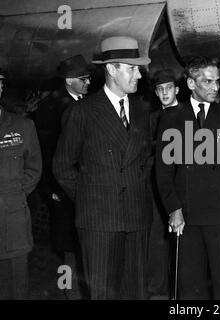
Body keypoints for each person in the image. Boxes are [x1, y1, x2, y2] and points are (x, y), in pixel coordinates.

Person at [53, 36, 154, 299]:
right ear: (111, 69)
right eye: (132, 68)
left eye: (138, 69)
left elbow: (146, 160)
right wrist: (91, 197)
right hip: (98, 222)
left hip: (136, 218)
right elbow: (62, 167)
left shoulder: (143, 110)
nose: (139, 75)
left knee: (136, 293)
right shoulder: (83, 111)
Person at [155, 56, 220, 299]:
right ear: (190, 84)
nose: (215, 88)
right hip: (187, 216)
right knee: (189, 286)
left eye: (217, 81)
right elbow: (163, 172)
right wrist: (173, 208)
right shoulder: (171, 119)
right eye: (207, 82)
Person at [33, 54, 92, 299]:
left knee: (84, 245)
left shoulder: (87, 104)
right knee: (68, 245)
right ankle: (71, 294)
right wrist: (53, 191)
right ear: (69, 81)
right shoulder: (50, 109)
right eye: (83, 79)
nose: (88, 82)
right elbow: (45, 154)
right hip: (62, 191)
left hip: (84, 188)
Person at [0, 69, 42, 299]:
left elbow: (34, 169)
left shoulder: (23, 127)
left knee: (16, 289)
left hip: (13, 224)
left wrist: (13, 196)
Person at [147, 68, 180, 297]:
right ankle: (157, 287)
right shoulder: (152, 119)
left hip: (183, 186)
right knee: (157, 238)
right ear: (156, 93)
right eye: (160, 89)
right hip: (157, 187)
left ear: (177, 90)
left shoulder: (189, 114)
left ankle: (180, 288)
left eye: (169, 88)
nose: (165, 92)